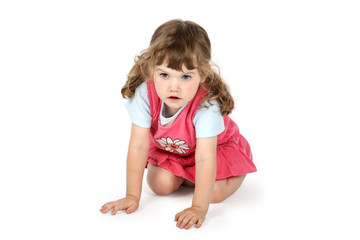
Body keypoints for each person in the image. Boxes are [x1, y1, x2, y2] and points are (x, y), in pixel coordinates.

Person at [100, 19, 257, 230]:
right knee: (159, 184)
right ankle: (191, 177)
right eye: (164, 75)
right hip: (175, 150)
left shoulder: (207, 104)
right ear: (150, 70)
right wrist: (131, 195)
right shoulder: (144, 94)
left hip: (214, 149)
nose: (174, 87)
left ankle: (235, 173)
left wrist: (199, 207)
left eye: (185, 76)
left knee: (215, 194)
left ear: (202, 74)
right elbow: (138, 146)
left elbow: (205, 156)